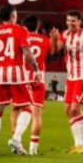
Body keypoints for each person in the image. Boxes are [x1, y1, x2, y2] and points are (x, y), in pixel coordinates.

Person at [0, 5, 39, 157]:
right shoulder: (20, 30)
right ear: (13, 16)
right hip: (16, 74)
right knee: (27, 107)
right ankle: (16, 138)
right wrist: (36, 69)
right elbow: (27, 53)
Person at [49, 9, 83, 154]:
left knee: (74, 109)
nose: (70, 23)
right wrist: (53, 39)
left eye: (73, 21)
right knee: (67, 110)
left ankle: (82, 144)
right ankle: (80, 144)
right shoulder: (65, 34)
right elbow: (55, 50)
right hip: (71, 77)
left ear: (79, 21)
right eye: (68, 20)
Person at [21, 15, 51, 155]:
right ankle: (33, 148)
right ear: (38, 26)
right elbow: (52, 50)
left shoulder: (21, 38)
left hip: (24, 79)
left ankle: (17, 141)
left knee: (19, 112)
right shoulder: (45, 40)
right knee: (37, 116)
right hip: (40, 79)